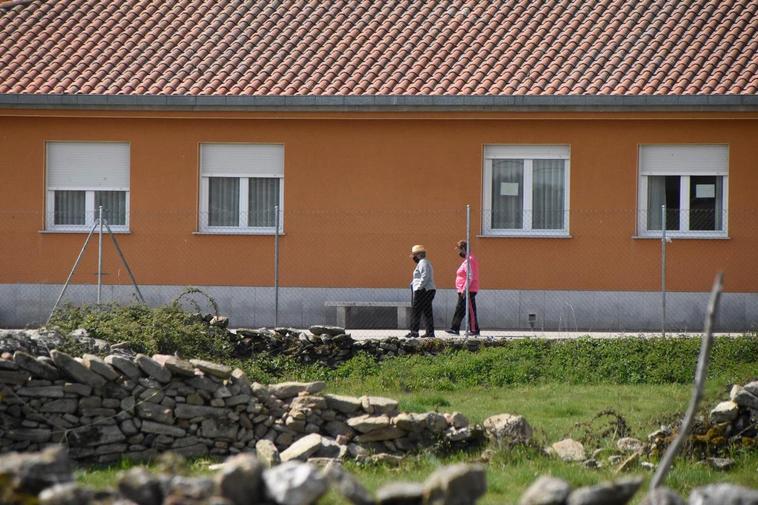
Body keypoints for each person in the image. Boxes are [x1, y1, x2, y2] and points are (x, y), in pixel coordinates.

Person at [446, 240, 480, 335]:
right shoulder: (467, 260)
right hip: (463, 289)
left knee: (470, 310)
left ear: (464, 249)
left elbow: (470, 276)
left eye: (459, 250)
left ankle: (474, 330)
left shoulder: (470, 260)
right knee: (460, 309)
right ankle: (454, 328)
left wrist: (465, 289)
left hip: (468, 290)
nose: (459, 253)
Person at [405, 244, 436, 338]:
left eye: (414, 255)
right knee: (427, 311)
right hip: (427, 289)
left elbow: (425, 276)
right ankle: (430, 332)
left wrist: (418, 287)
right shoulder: (424, 262)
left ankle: (414, 331)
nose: (413, 257)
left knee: (416, 311)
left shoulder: (423, 263)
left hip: (423, 290)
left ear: (418, 255)